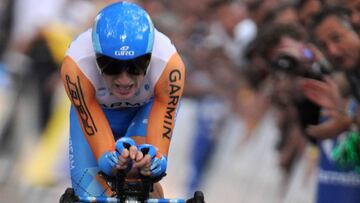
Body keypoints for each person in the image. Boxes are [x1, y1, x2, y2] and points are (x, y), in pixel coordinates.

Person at [60, 1, 185, 198]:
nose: (124, 80)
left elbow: (158, 154)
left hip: (144, 111)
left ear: (150, 58)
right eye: (112, 66)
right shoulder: (76, 65)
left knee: (140, 172)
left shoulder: (169, 65)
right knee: (90, 194)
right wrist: (108, 160)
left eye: (136, 65)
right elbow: (104, 160)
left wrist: (156, 162)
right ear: (95, 57)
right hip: (97, 112)